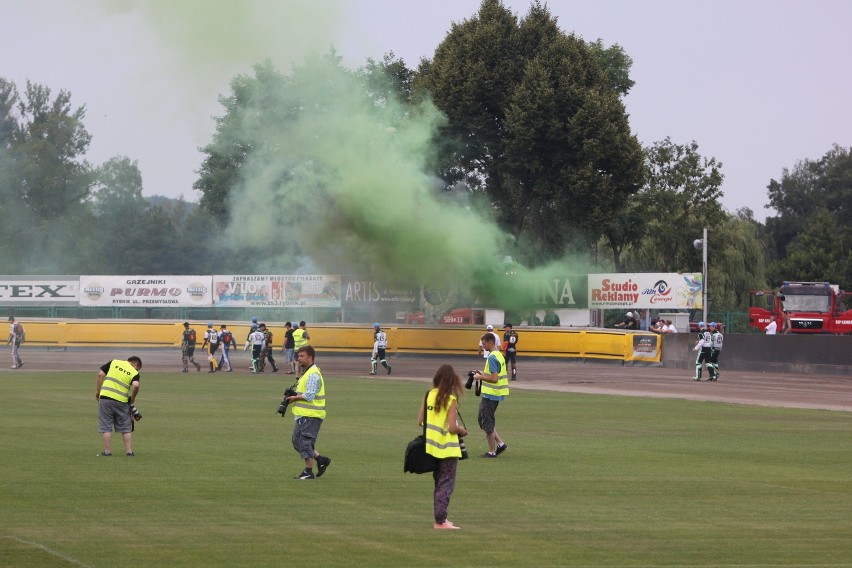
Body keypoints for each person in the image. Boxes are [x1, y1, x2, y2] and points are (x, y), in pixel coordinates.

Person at [418, 364, 468, 530]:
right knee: (446, 484)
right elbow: (453, 428)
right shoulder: (450, 400)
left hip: (431, 447)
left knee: (438, 483)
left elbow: (421, 421)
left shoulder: (429, 395)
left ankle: (441, 517)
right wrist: (462, 430)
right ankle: (440, 521)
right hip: (447, 448)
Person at [284, 345, 332, 480]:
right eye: (298, 356)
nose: (299, 359)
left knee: (304, 441)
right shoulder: (308, 372)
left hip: (311, 415)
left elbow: (309, 395)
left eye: (302, 356)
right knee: (297, 441)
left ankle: (308, 471)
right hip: (304, 414)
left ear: (310, 357)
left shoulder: (312, 374)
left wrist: (294, 398)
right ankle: (321, 459)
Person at [95, 356, 142, 456]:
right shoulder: (134, 372)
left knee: (106, 426)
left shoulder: (114, 362)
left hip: (105, 398)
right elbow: (136, 385)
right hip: (122, 401)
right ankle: (129, 451)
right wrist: (133, 398)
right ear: (136, 364)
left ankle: (107, 452)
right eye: (138, 368)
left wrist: (97, 392)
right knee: (125, 427)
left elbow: (100, 375)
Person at [473, 333, 509, 458]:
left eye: (484, 344)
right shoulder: (499, 355)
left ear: (490, 342)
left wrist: (479, 377)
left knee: (487, 421)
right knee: (483, 419)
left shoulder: (492, 357)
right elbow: (493, 374)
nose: (483, 346)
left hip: (491, 394)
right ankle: (500, 444)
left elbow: (494, 378)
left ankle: (491, 451)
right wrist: (481, 372)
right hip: (495, 393)